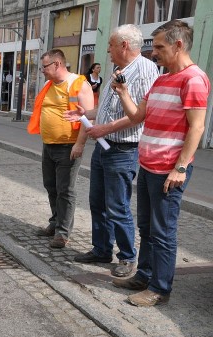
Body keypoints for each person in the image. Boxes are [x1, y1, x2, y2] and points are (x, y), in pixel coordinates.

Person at [110, 20, 210, 306]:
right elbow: (137, 117)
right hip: (148, 165)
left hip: (168, 170)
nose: (154, 53)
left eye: (160, 47)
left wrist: (180, 168)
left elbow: (197, 128)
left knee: (163, 231)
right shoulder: (161, 79)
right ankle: (144, 275)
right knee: (147, 227)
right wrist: (124, 93)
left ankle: (159, 289)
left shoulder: (193, 78)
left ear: (179, 45)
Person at [68, 25, 159, 277]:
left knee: (118, 206)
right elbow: (107, 107)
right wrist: (85, 114)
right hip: (104, 147)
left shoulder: (144, 70)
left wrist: (104, 129)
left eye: (110, 45)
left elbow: (139, 116)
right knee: (97, 202)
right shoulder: (118, 70)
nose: (107, 50)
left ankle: (127, 257)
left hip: (123, 149)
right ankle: (101, 249)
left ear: (124, 45)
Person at [27, 49, 94, 248]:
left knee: (65, 190)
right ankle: (55, 222)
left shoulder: (78, 84)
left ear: (57, 64)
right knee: (51, 186)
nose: (42, 71)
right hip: (49, 145)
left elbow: (88, 117)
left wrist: (80, 144)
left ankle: (63, 233)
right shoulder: (49, 85)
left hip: (68, 146)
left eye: (44, 67)